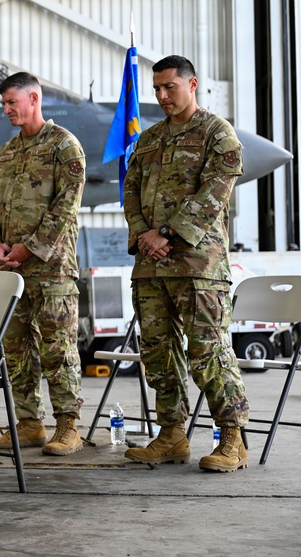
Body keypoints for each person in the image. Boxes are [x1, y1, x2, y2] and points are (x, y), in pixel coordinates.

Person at [123, 55, 249, 472]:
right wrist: (145, 234)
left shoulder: (217, 134)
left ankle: (232, 439)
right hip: (150, 265)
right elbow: (131, 192)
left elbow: (215, 193)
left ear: (191, 84)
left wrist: (167, 234)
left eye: (169, 87)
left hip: (198, 266)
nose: (161, 96)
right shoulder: (149, 139)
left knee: (207, 353)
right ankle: (172, 435)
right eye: (156, 89)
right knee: (158, 353)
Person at [0, 72, 86, 457]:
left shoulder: (65, 147)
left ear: (34, 99)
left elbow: (65, 210)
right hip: (11, 269)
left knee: (58, 349)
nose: (7, 110)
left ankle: (68, 426)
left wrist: (29, 248)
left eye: (12, 102)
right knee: (17, 350)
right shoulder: (7, 152)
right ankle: (29, 425)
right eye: (4, 104)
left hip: (52, 270)